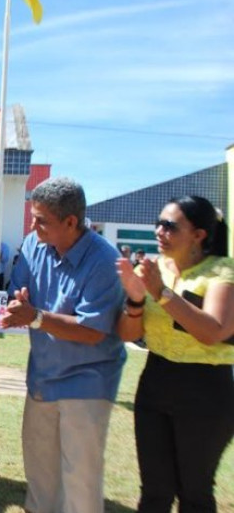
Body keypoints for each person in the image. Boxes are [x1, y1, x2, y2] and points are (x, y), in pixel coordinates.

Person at [2, 176, 125, 513]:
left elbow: (92, 331)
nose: (33, 225)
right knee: (40, 480)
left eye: (41, 220)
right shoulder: (33, 244)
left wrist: (35, 316)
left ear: (71, 222)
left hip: (88, 381)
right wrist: (18, 302)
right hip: (42, 377)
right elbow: (19, 288)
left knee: (80, 484)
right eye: (32, 216)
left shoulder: (104, 260)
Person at [115, 195, 233, 512]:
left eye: (169, 226)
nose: (159, 231)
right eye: (158, 223)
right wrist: (137, 299)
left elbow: (213, 331)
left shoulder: (223, 272)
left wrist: (160, 293)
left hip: (206, 390)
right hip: (156, 380)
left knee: (194, 493)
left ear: (199, 235)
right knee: (154, 491)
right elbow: (128, 334)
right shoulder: (155, 270)